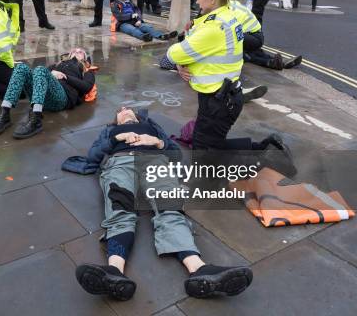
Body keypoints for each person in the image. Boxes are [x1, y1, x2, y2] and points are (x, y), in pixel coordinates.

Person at [68, 107, 253, 300]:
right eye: (119, 111)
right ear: (116, 120)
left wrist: (157, 142)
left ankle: (199, 269)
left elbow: (176, 154)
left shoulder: (150, 126)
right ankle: (114, 271)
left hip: (154, 163)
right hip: (120, 164)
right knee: (120, 209)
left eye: (127, 108)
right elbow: (93, 156)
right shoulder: (110, 131)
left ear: (136, 115)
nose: (124, 110)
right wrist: (117, 139)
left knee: (170, 209)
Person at [165, 0, 286, 151]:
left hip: (218, 101)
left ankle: (265, 151)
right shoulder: (227, 15)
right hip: (222, 95)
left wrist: (181, 61)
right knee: (208, 144)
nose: (197, 2)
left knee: (205, 150)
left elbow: (173, 54)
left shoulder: (214, 28)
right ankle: (263, 148)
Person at [0, 48, 95, 139]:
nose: (77, 51)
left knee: (40, 69)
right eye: (74, 50)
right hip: (41, 97)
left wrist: (65, 77)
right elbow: (38, 75)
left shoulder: (86, 70)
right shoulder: (58, 64)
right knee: (21, 68)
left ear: (85, 58)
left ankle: (36, 120)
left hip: (62, 97)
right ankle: (5, 112)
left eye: (80, 51)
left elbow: (86, 87)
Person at [229, 0, 302, 70]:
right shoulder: (233, 3)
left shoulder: (226, 9)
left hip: (250, 36)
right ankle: (278, 61)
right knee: (251, 50)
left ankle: (270, 62)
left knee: (242, 53)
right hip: (256, 35)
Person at [111, 0, 177, 42]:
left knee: (147, 27)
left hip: (134, 20)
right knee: (132, 30)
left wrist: (139, 20)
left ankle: (162, 36)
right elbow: (119, 17)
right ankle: (144, 37)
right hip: (122, 23)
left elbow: (137, 10)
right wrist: (131, 16)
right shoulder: (114, 4)